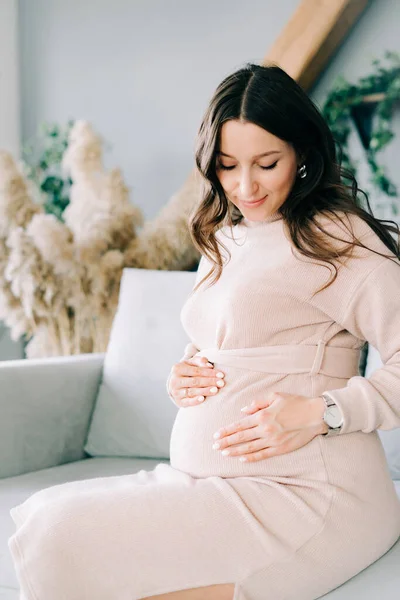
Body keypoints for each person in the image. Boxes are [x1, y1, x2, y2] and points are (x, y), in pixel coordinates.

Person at [8, 63, 400, 600]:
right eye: (227, 165)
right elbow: (235, 336)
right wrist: (188, 373)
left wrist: (323, 411)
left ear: (303, 153)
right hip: (213, 483)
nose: (246, 186)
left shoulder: (335, 236)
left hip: (308, 492)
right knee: (50, 522)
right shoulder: (224, 234)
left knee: (64, 538)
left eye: (267, 163)